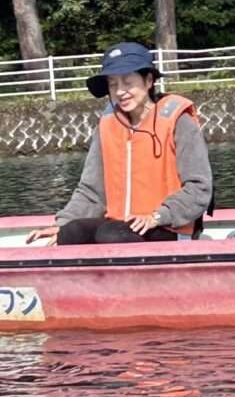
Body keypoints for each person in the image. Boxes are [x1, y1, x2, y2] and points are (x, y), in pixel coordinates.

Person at [25, 42, 213, 246]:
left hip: (167, 225)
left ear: (148, 80)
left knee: (111, 234)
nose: (120, 91)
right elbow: (91, 191)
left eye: (127, 82)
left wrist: (157, 217)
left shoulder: (179, 121)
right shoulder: (107, 126)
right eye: (113, 84)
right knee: (72, 232)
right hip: (119, 228)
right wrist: (63, 224)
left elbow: (199, 187)